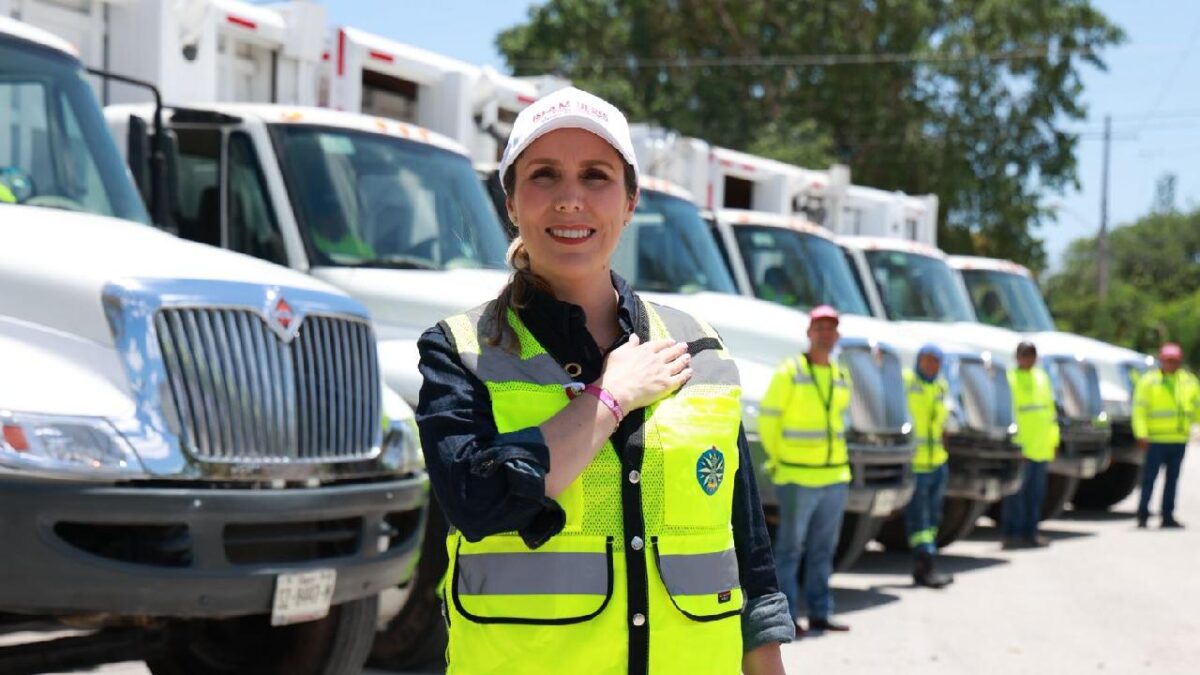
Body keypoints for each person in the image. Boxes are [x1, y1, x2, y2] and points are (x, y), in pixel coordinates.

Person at [415, 87, 791, 675]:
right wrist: (609, 398)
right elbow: (479, 502)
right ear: (510, 201)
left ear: (631, 200)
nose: (571, 199)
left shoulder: (702, 351)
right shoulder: (459, 352)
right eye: (544, 175)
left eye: (596, 176)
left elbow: (746, 551)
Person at [759, 305, 852, 635]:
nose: (826, 333)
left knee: (823, 551)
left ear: (837, 335)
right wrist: (778, 460)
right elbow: (769, 418)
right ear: (810, 332)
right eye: (820, 327)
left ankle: (820, 614)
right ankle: (786, 618)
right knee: (790, 550)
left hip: (835, 477)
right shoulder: (791, 371)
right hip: (797, 476)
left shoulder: (841, 374)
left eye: (831, 328)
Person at [1133, 342, 1200, 529]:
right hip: (1155, 440)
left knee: (1172, 480)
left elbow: (1197, 408)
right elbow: (1139, 410)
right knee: (1149, 479)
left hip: (1178, 439)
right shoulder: (1149, 382)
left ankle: (1167, 515)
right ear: (1161, 361)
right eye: (1168, 360)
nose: (1171, 364)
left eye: (1174, 360)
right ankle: (1143, 514)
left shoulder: (1189, 381)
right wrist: (1141, 433)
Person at [903, 344, 954, 588]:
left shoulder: (941, 386)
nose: (931, 365)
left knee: (933, 518)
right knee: (919, 521)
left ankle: (925, 564)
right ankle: (925, 566)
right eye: (927, 360)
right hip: (917, 464)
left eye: (936, 361)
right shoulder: (908, 381)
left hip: (937, 463)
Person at [1001, 341, 1060, 549]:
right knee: (1016, 495)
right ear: (1017, 356)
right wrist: (1015, 446)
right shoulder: (1010, 379)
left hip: (1041, 446)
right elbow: (1009, 414)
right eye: (1025, 355)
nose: (1028, 359)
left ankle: (1031, 532)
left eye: (1031, 355)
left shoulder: (1042, 377)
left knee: (1036, 495)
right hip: (1021, 447)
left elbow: (1050, 412)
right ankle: (1012, 534)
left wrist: (1053, 440)